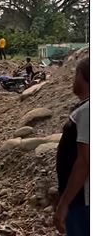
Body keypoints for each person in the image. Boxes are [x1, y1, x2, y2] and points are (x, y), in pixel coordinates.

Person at [54, 57, 89, 236]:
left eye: (76, 74)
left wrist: (64, 203)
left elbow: (84, 162)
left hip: (82, 202)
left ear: (84, 78)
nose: (73, 80)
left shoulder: (87, 112)